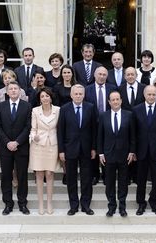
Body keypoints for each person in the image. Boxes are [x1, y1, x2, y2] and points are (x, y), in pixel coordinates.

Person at [57, 84, 97, 216]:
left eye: (81, 94)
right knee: (71, 178)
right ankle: (73, 205)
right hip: (70, 149)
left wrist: (93, 148)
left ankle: (86, 205)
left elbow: (93, 130)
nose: (78, 96)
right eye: (76, 94)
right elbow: (60, 131)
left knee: (87, 178)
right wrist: (61, 150)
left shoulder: (90, 107)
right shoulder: (64, 109)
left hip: (86, 149)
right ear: (71, 95)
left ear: (84, 95)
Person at [0, 81, 32, 216]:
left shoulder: (27, 106)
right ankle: (8, 204)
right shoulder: (0, 107)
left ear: (20, 91)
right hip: (5, 148)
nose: (14, 91)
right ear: (7, 92)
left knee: (22, 176)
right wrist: (8, 142)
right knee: (6, 176)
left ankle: (22, 203)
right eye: (11, 89)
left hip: (21, 147)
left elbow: (28, 127)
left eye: (16, 88)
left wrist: (17, 142)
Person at [133, 85, 156, 216]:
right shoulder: (136, 110)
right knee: (141, 180)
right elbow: (133, 133)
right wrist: (133, 151)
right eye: (149, 94)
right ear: (144, 95)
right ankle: (141, 204)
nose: (151, 97)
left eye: (153, 95)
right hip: (141, 151)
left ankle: (154, 202)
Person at [97, 91, 135, 217]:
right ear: (109, 102)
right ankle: (111, 206)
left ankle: (122, 207)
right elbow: (100, 136)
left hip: (124, 154)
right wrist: (101, 153)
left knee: (123, 182)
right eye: (113, 100)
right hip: (108, 154)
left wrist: (132, 151)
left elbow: (133, 136)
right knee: (109, 182)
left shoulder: (129, 115)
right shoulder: (103, 116)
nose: (115, 102)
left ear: (121, 100)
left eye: (117, 99)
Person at [29, 88, 60, 215]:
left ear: (51, 97)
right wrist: (33, 137)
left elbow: (59, 128)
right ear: (39, 99)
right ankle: (41, 204)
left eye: (47, 96)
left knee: (49, 174)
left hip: (52, 144)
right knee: (39, 174)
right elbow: (33, 129)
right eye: (42, 96)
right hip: (38, 145)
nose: (45, 98)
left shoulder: (58, 110)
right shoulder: (35, 111)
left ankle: (49, 203)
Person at [84, 66, 117, 185]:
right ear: (94, 75)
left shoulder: (112, 89)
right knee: (93, 148)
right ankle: (94, 175)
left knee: (106, 149)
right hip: (92, 124)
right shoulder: (87, 89)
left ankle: (106, 174)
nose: (102, 77)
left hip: (108, 123)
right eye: (100, 74)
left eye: (104, 75)